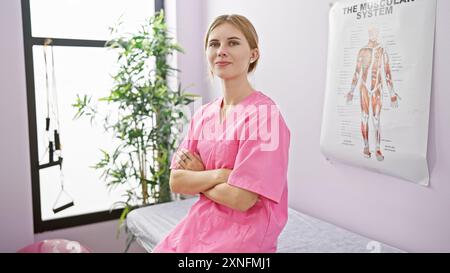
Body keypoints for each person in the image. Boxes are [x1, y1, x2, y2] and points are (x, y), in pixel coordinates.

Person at [152, 14, 291, 253]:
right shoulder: (203, 114)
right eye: (214, 44)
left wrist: (200, 176)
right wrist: (220, 175)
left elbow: (242, 199)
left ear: (253, 54)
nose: (221, 51)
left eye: (233, 43)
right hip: (200, 227)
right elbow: (177, 181)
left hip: (244, 239)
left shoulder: (266, 117)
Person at [346, 26, 399, 161]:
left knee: (376, 119)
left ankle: (378, 148)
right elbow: (357, 72)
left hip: (377, 89)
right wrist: (351, 91)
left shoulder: (382, 51)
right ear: (368, 33)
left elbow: (387, 73)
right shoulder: (362, 51)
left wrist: (392, 94)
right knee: (364, 117)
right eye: (370, 32)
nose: (373, 34)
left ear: (378, 33)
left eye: (375, 31)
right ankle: (365, 146)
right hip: (364, 88)